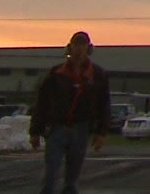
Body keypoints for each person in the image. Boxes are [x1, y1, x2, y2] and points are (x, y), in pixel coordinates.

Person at [30, 30, 111, 194]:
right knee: (51, 173)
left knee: (72, 178)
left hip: (80, 128)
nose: (79, 49)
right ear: (70, 47)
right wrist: (35, 131)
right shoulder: (56, 73)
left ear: (89, 48)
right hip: (57, 128)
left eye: (83, 45)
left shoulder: (97, 75)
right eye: (76, 45)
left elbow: (104, 105)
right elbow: (42, 104)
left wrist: (101, 132)